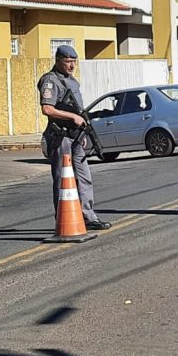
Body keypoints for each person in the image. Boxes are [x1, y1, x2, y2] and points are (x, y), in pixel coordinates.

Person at [37, 45, 111, 231]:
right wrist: (72, 117)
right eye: (67, 61)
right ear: (58, 61)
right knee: (62, 179)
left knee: (84, 177)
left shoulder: (72, 82)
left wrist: (81, 130)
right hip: (60, 136)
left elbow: (77, 110)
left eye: (74, 62)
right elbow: (47, 109)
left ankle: (88, 216)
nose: (71, 65)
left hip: (75, 136)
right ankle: (62, 218)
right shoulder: (50, 81)